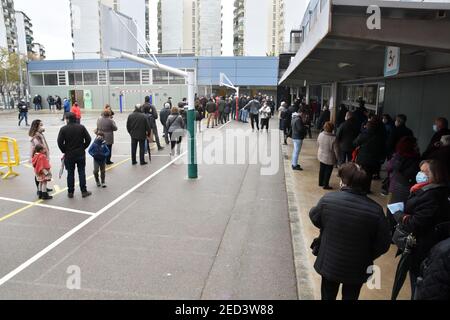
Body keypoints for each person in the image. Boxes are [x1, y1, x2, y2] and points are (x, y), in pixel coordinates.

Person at [309, 162, 391, 300]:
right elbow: (383, 244)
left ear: (343, 181)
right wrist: (368, 254)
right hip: (357, 267)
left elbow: (315, 217)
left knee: (327, 295)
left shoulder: (328, 200)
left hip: (330, 262)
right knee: (351, 296)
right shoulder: (376, 210)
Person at [393, 159, 450, 299]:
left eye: (424, 172)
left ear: (435, 175)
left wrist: (400, 215)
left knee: (418, 280)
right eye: (420, 171)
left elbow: (416, 222)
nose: (420, 174)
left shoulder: (431, 196)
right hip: (430, 243)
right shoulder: (428, 189)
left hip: (422, 248)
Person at [386, 136, 421, 233]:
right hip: (408, 188)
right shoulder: (416, 158)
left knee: (391, 209)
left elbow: (389, 167)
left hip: (394, 186)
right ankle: (397, 230)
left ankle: (390, 230)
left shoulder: (397, 156)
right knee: (402, 210)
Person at [57, 112, 92, 198]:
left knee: (70, 173)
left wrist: (64, 150)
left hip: (69, 154)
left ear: (68, 119)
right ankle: (83, 191)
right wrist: (83, 147)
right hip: (80, 153)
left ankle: (70, 192)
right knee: (81, 172)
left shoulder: (63, 129)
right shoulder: (81, 127)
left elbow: (59, 142)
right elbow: (88, 139)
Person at [353, 120, 386, 194]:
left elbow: (355, 143)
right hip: (373, 160)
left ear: (368, 127)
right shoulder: (380, 137)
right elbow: (383, 148)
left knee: (361, 173)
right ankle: (366, 189)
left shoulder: (363, 135)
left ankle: (360, 188)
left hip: (362, 159)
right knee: (369, 175)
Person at [29, 119, 53, 196]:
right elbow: (40, 147)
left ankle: (43, 189)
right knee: (41, 174)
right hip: (41, 158)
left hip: (43, 157)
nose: (42, 126)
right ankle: (41, 191)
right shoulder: (36, 137)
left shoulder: (39, 134)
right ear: (36, 127)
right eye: (41, 125)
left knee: (41, 175)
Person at [317, 122, 338, 190]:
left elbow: (318, 143)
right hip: (329, 157)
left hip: (321, 154)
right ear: (332, 129)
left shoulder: (320, 134)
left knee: (322, 169)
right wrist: (338, 158)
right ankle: (325, 185)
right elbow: (336, 150)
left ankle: (320, 182)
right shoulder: (334, 138)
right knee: (328, 171)